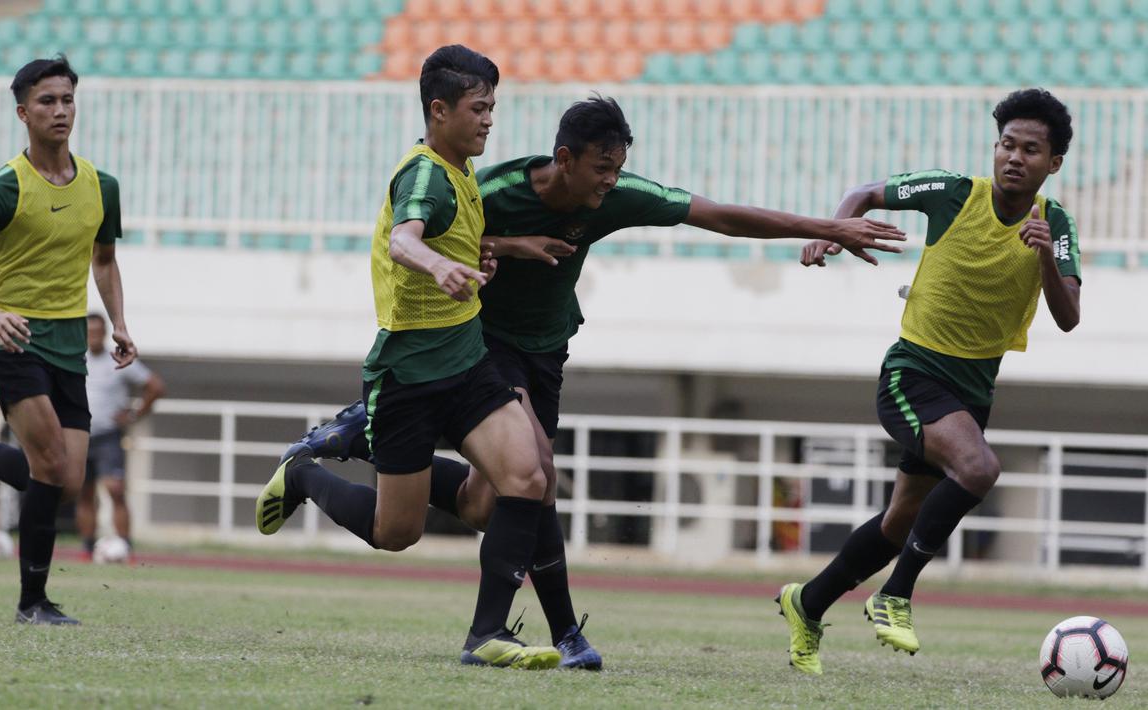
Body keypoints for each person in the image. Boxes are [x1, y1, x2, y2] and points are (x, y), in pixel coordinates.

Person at [283, 95, 908, 670]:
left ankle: (358, 437)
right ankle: (550, 635)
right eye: (602, 167)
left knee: (486, 502)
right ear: (564, 159)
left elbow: (717, 214)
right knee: (537, 474)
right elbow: (443, 237)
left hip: (546, 352)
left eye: (618, 168)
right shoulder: (492, 188)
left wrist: (826, 229)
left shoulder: (615, 196)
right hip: (483, 347)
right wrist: (509, 243)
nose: (611, 180)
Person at [255, 45, 560, 670]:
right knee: (397, 534)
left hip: (469, 362)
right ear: (439, 110)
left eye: (493, 108)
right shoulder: (422, 173)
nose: (488, 121)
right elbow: (403, 239)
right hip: (409, 376)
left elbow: (451, 235)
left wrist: (494, 250)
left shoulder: (461, 170)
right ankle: (306, 472)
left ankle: (486, 636)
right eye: (478, 109)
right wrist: (440, 263)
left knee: (517, 484)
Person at [778, 88, 1080, 674]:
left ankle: (807, 603)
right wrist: (837, 229)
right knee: (980, 468)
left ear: (1054, 163)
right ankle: (895, 595)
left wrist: (1045, 256)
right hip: (913, 373)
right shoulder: (955, 192)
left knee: (900, 522)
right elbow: (866, 192)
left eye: (1031, 150)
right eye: (1006, 145)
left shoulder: (1056, 223)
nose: (1015, 157)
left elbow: (1068, 317)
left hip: (972, 392)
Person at [0, 55, 135, 626]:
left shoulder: (101, 186)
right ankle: (32, 602)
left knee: (65, 481)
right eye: (47, 101)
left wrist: (119, 324)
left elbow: (105, 261)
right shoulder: (3, 187)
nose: (60, 110)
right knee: (49, 463)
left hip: (69, 343)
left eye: (67, 100)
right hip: (13, 338)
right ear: (23, 112)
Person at [76, 313, 165, 561]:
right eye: (89, 331)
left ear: (105, 333)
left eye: (97, 331)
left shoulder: (118, 359)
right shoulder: (74, 358)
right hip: (80, 435)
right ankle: (86, 548)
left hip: (108, 436)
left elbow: (156, 386)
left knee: (115, 489)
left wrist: (135, 414)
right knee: (84, 492)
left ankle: (125, 546)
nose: (93, 336)